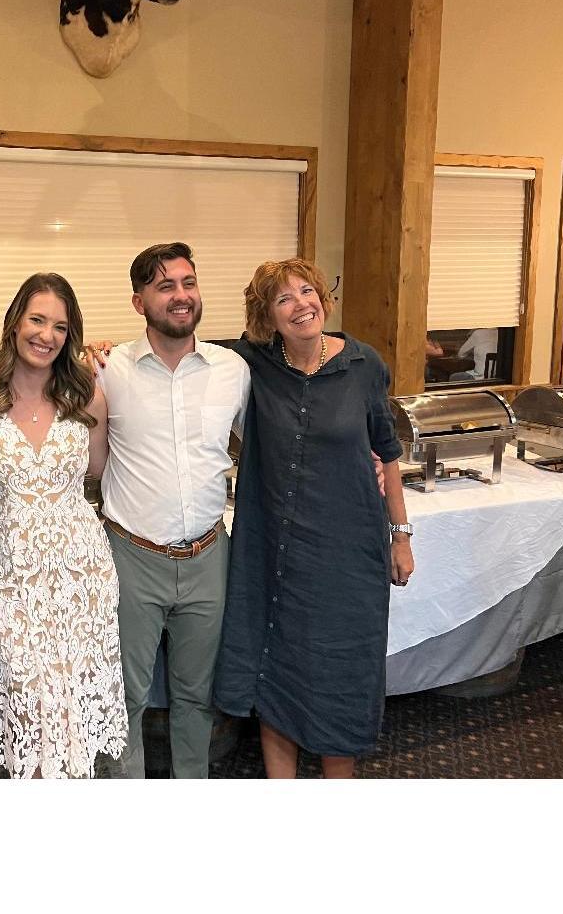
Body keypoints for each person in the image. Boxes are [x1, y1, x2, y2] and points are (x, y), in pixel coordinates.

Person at [212, 258, 414, 779]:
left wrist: (401, 536)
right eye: (284, 299)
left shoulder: (364, 364)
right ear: (267, 317)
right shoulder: (252, 363)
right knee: (275, 665)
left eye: (308, 291)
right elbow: (183, 352)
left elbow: (386, 451)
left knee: (340, 671)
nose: (301, 304)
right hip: (275, 549)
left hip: (348, 552)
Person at [0, 273, 128, 778]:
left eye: (60, 326)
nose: (46, 335)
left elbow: (95, 471)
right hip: (10, 575)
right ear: (14, 323)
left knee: (72, 704)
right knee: (23, 699)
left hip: (80, 576)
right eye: (37, 319)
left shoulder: (87, 397)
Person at [90, 242, 251, 779]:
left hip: (208, 555)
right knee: (126, 697)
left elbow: (277, 445)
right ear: (139, 302)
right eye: (165, 286)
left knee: (195, 697)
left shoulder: (233, 370)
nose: (181, 296)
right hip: (131, 557)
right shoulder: (109, 369)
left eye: (188, 282)